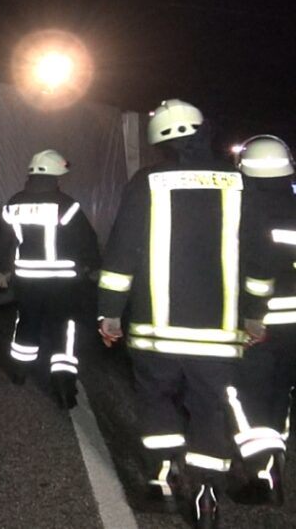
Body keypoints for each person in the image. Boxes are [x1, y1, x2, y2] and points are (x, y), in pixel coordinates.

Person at [96, 99, 255, 528]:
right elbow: (256, 257)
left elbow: (122, 252)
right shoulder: (240, 182)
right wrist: (255, 314)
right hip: (219, 335)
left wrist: (109, 314)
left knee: (156, 401)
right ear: (204, 130)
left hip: (155, 332)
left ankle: (164, 479)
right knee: (210, 409)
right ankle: (206, 492)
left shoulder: (147, 181)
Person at [0, 149, 101, 409]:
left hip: (27, 280)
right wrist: (93, 267)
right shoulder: (67, 205)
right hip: (62, 282)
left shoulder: (14, 203)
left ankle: (19, 372)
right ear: (56, 176)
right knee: (64, 330)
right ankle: (64, 387)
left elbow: (1, 242)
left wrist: (1, 270)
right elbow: (86, 241)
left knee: (26, 323)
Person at [228, 135, 296, 504]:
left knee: (243, 395)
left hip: (261, 323)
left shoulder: (247, 210)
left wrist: (250, 317)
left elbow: (252, 271)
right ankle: (274, 460)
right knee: (278, 394)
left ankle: (262, 474)